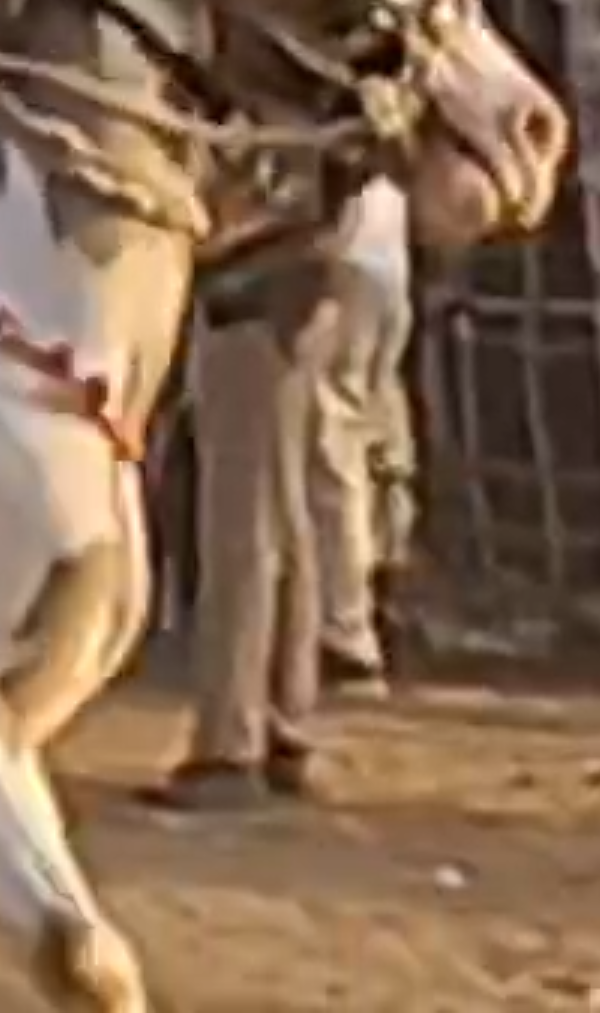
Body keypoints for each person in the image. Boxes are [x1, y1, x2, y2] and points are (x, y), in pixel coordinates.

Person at [149, 181, 413, 811]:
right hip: (306, 291)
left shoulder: (286, 123)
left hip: (259, 296)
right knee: (287, 515)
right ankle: (285, 724)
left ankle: (231, 742)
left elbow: (253, 211)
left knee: (242, 523)